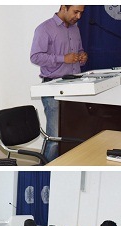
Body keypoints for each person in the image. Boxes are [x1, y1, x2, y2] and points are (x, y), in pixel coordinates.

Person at [30, 5, 87, 161]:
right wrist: (63, 58)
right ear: (64, 7)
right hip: (53, 87)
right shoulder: (44, 28)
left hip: (75, 87)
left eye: (81, 12)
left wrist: (82, 56)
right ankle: (45, 168)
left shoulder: (75, 29)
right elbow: (35, 57)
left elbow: (80, 49)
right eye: (76, 12)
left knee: (73, 133)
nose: (79, 16)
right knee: (54, 137)